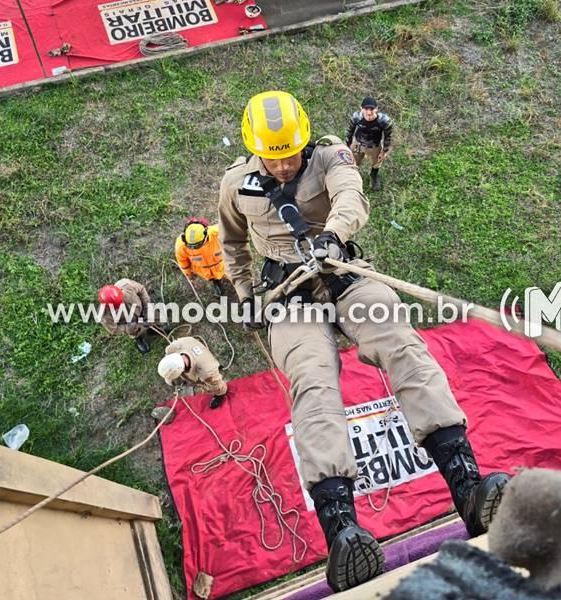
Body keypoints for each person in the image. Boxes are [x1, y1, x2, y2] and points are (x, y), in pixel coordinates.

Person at [218, 90, 509, 592]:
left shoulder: (331, 155)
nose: (285, 165)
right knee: (312, 383)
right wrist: (244, 294)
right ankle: (343, 531)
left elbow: (351, 194)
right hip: (286, 296)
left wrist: (333, 234)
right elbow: (232, 242)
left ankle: (466, 485)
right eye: (274, 156)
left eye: (291, 152)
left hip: (343, 273)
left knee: (400, 342)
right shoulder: (235, 186)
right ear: (256, 151)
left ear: (304, 140)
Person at [157, 336, 228, 409]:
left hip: (206, 365)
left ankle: (220, 395)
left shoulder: (207, 372)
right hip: (190, 348)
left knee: (216, 388)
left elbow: (218, 385)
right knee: (169, 381)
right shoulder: (174, 347)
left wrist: (192, 391)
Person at [345, 96, 393, 192]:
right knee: (353, 161)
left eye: (372, 109)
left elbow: (388, 137)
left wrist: (384, 151)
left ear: (377, 109)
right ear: (361, 108)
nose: (369, 112)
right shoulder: (357, 117)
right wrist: (348, 144)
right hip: (358, 143)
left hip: (374, 145)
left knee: (377, 162)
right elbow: (350, 131)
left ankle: (374, 175)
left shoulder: (384, 121)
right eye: (366, 109)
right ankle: (352, 177)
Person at [98, 278, 156, 353]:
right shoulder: (104, 315)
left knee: (152, 318)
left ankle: (155, 327)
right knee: (136, 332)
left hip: (141, 310)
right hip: (129, 323)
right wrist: (128, 328)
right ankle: (139, 339)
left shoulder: (126, 285)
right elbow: (113, 329)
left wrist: (147, 308)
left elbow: (141, 290)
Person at [174, 217, 228, 297]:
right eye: (191, 246)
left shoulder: (219, 233)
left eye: (198, 245)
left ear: (206, 235)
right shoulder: (181, 246)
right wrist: (188, 273)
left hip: (223, 267)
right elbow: (182, 262)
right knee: (212, 279)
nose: (195, 248)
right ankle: (216, 283)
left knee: (230, 276)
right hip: (204, 272)